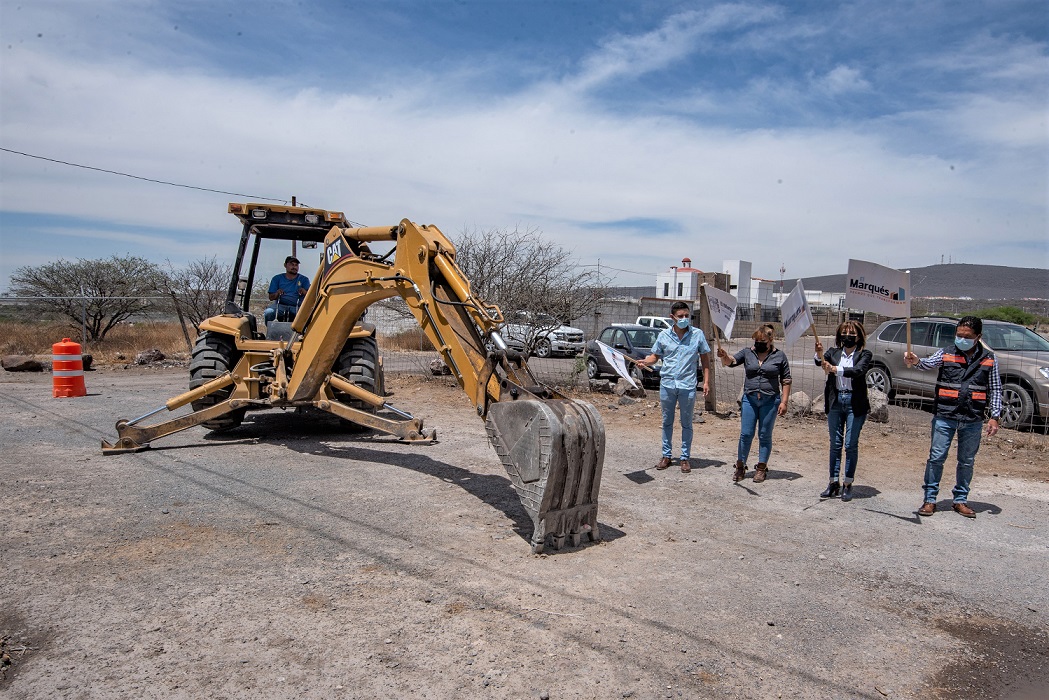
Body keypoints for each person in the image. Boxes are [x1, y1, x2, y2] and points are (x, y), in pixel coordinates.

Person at [904, 316, 1001, 518]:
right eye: (959, 335)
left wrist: (994, 416)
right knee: (936, 458)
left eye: (967, 337)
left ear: (978, 337)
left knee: (966, 461)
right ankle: (929, 499)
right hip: (945, 415)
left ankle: (960, 500)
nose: (962, 339)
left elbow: (995, 388)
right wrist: (915, 361)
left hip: (972, 417)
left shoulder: (989, 358)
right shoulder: (947, 353)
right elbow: (927, 364)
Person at [636, 301, 712, 474]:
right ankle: (666, 455)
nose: (685, 319)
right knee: (666, 421)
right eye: (681, 316)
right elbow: (655, 356)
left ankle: (685, 458)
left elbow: (705, 360)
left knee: (686, 423)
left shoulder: (697, 335)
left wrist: (706, 382)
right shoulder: (663, 336)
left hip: (688, 384)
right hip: (668, 384)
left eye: (687, 316)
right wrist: (644, 362)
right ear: (672, 318)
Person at [716, 326, 792, 483]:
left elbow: (786, 380)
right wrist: (724, 356)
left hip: (770, 401)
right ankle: (740, 466)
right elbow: (731, 361)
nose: (758, 343)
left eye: (762, 341)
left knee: (764, 435)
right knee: (746, 434)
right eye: (756, 340)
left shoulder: (780, 356)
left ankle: (761, 467)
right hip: (750, 399)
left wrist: (784, 402)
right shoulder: (747, 352)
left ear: (771, 340)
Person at [814, 321, 872, 501]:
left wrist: (835, 369)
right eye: (845, 332)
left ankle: (847, 482)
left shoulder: (865, 354)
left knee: (850, 444)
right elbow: (820, 362)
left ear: (859, 336)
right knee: (835, 444)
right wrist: (819, 353)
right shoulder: (833, 352)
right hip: (835, 400)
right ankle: (833, 482)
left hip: (855, 403)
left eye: (852, 333)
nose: (848, 336)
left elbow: (857, 370)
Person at [264, 256, 310, 324]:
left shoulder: (304, 279)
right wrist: (277, 293)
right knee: (269, 312)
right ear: (285, 265)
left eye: (296, 265)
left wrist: (304, 292)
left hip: (297, 307)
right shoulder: (277, 279)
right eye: (292, 264)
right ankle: (272, 332)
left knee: (308, 316)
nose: (294, 267)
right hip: (280, 306)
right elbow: (271, 297)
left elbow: (310, 297)